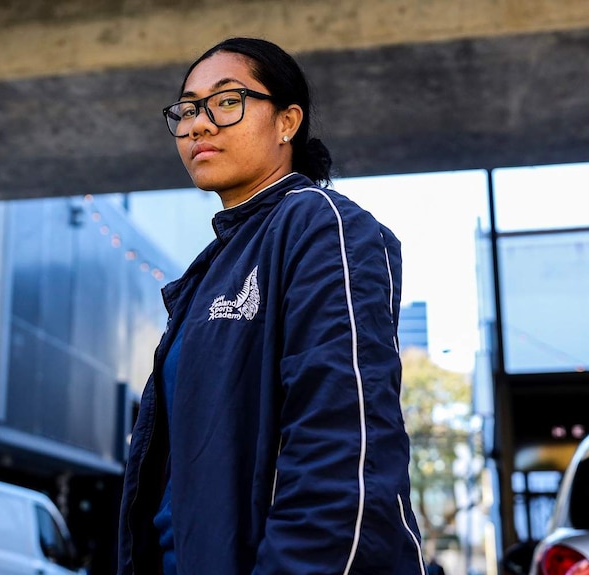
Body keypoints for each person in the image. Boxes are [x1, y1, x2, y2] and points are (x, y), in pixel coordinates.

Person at [117, 37, 425, 575]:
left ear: (287, 122)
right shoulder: (213, 267)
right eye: (187, 109)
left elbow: (346, 453)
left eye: (226, 101)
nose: (198, 124)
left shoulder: (321, 226)